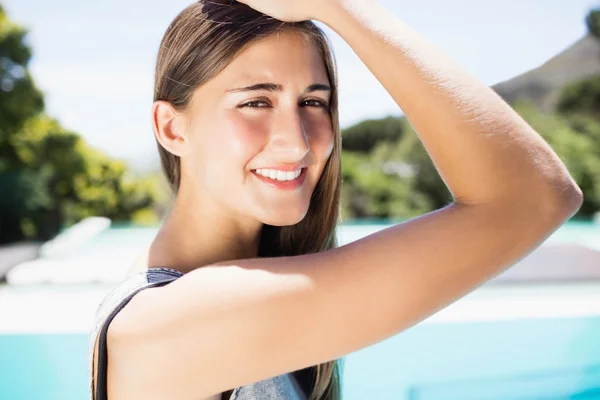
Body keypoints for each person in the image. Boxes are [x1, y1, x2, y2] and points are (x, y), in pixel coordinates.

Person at [89, 0, 583, 399]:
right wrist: (342, 7)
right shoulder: (176, 324)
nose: (299, 142)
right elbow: (534, 196)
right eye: (256, 102)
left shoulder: (182, 294)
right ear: (171, 127)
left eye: (313, 102)